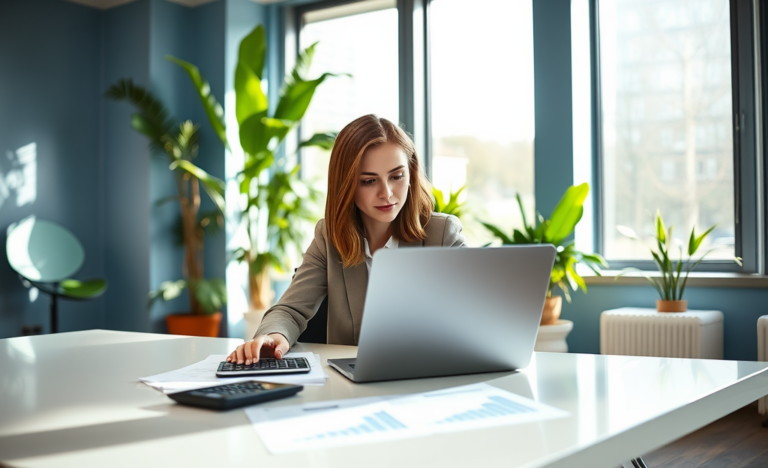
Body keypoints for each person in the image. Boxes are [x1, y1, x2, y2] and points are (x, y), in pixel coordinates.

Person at [226, 114, 466, 365]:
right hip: (350, 385)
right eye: (369, 181)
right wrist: (273, 336)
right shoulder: (329, 238)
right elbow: (291, 309)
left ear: (411, 174)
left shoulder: (443, 234)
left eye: (396, 176)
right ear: (347, 185)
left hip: (427, 378)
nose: (387, 193)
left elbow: (475, 317)